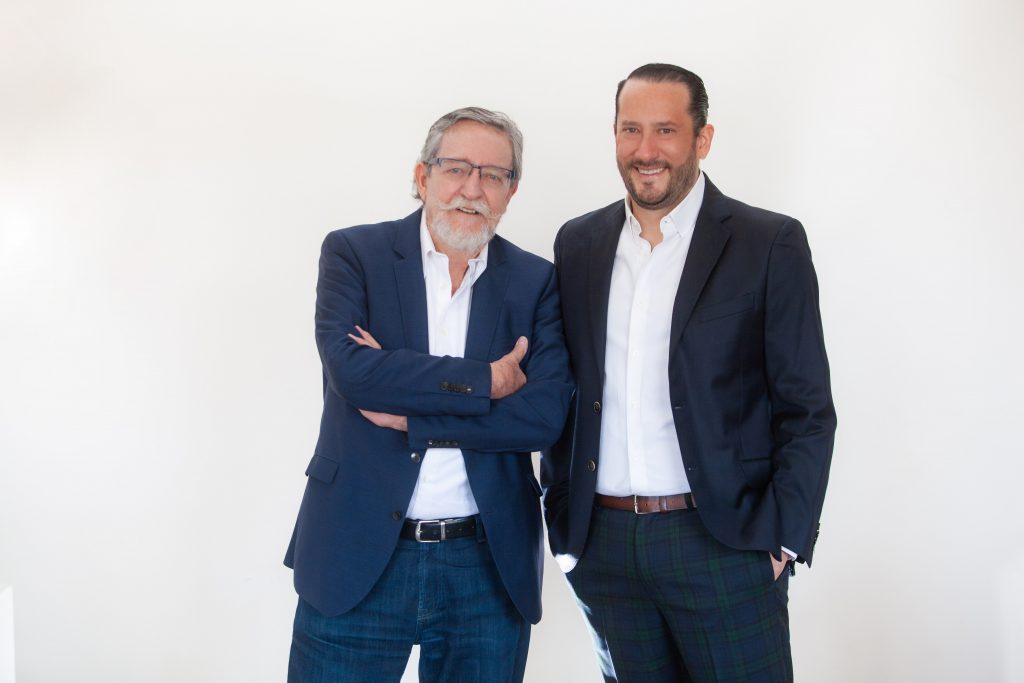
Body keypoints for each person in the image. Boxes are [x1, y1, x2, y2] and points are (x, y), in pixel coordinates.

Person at [541, 63, 836, 682]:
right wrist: (564, 521)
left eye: (666, 130)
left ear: (703, 139)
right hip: (605, 548)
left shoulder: (768, 242)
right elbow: (567, 391)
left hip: (725, 542)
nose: (645, 150)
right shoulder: (578, 244)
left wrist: (781, 538)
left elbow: (806, 407)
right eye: (630, 129)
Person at [285, 106, 573, 683]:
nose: (473, 189)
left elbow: (543, 417)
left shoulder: (535, 280)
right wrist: (486, 382)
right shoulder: (354, 254)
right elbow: (354, 375)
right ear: (422, 176)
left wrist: (415, 417)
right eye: (456, 168)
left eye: (493, 175)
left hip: (485, 564)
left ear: (511, 191)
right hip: (357, 550)